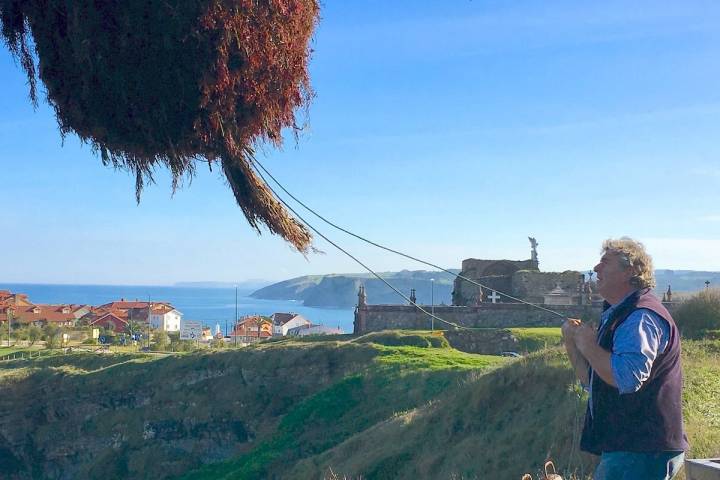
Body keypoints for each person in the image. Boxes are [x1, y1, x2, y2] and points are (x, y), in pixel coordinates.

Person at [562, 238, 688, 480]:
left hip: (642, 449)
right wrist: (573, 344)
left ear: (630, 271)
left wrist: (588, 344)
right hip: (630, 448)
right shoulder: (621, 313)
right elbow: (593, 382)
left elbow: (625, 378)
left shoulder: (640, 316)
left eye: (604, 262)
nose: (596, 269)